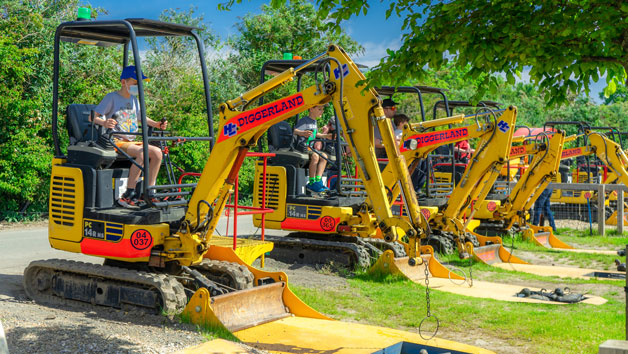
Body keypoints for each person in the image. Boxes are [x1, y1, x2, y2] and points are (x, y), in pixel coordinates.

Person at [92, 65, 168, 208]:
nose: (137, 87)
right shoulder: (112, 98)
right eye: (135, 83)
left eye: (139, 84)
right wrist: (104, 122)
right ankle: (128, 194)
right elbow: (93, 117)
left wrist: (157, 124)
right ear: (123, 82)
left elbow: (141, 118)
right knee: (143, 153)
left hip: (132, 141)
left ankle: (150, 191)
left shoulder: (134, 100)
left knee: (158, 153)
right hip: (116, 141)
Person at [293, 104, 332, 193]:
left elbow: (315, 134)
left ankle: (318, 180)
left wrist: (326, 136)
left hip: (311, 148)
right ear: (311, 109)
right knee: (315, 156)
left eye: (322, 109)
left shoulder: (314, 122)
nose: (322, 111)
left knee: (324, 156)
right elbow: (295, 130)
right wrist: (302, 133)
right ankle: (311, 182)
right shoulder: (304, 121)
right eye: (319, 109)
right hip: (304, 147)